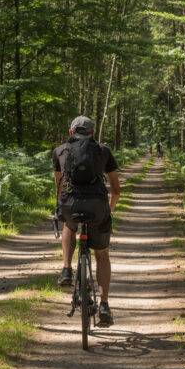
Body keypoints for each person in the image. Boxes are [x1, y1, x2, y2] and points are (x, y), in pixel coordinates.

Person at [52, 115, 122, 327]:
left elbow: (59, 186)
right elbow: (116, 190)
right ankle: (104, 305)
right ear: (92, 133)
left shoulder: (59, 151)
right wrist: (108, 212)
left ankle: (66, 268)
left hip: (70, 205)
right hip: (97, 207)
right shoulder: (103, 151)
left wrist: (61, 206)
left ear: (71, 132)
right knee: (102, 255)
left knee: (68, 225)